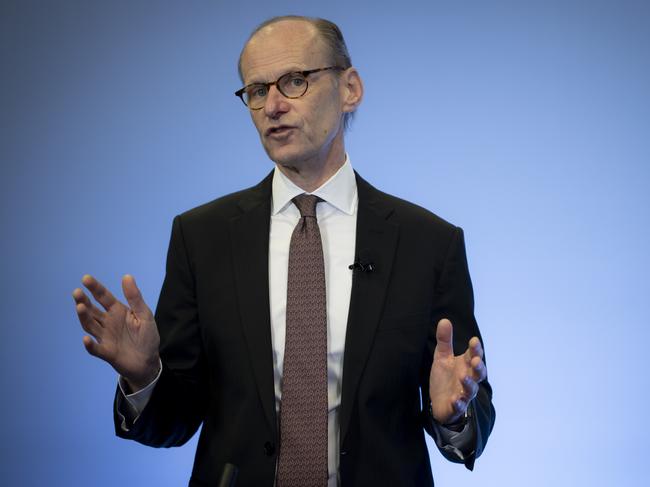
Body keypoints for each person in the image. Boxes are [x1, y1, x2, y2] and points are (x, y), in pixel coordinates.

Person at [73, 15, 495, 487]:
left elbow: (471, 408)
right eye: (256, 90)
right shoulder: (202, 236)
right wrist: (145, 376)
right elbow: (175, 421)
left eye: (294, 81)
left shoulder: (429, 243)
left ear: (349, 88)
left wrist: (453, 415)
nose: (272, 105)